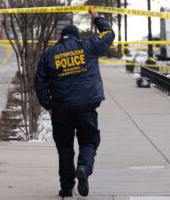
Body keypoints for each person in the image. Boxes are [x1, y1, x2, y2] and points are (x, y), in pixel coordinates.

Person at [35, 7, 115, 197]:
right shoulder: (88, 45)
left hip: (61, 109)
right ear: (76, 36)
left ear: (60, 37)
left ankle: (66, 187)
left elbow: (39, 82)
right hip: (86, 108)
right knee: (89, 141)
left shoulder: (50, 54)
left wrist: (48, 105)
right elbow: (109, 35)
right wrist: (96, 17)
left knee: (64, 148)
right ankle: (84, 168)